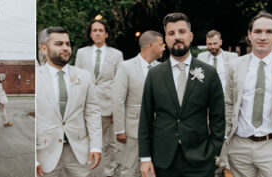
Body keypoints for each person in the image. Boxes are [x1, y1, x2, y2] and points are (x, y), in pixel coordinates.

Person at [139, 12, 225, 177]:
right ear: (166, 39)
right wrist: (145, 157)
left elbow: (218, 115)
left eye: (181, 32)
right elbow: (145, 118)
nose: (177, 37)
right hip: (163, 159)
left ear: (191, 36)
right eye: (171, 33)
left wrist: (214, 149)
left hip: (200, 158)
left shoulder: (209, 73)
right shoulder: (154, 74)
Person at [223, 11, 272, 177]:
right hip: (239, 146)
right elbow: (228, 103)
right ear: (249, 35)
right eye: (258, 31)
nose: (263, 37)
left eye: (269, 32)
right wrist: (227, 137)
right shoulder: (234, 66)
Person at [35, 27, 102, 177]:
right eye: (59, 44)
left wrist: (96, 146)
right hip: (45, 152)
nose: (65, 48)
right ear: (44, 49)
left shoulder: (84, 76)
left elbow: (92, 113)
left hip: (78, 152)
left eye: (68, 44)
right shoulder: (36, 78)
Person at [74, 19, 124, 176]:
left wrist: (117, 110)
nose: (97, 33)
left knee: (110, 144)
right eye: (94, 30)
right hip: (87, 105)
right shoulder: (81, 53)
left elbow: (120, 83)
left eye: (100, 30)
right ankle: (86, 172)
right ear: (90, 33)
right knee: (86, 142)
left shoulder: (116, 54)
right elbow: (77, 79)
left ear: (106, 34)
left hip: (109, 106)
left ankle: (110, 172)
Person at [111, 30, 163, 177]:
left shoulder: (161, 68)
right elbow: (118, 99)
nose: (164, 48)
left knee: (153, 168)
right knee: (129, 168)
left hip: (157, 128)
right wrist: (119, 129)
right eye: (161, 44)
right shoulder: (125, 67)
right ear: (151, 45)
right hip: (132, 129)